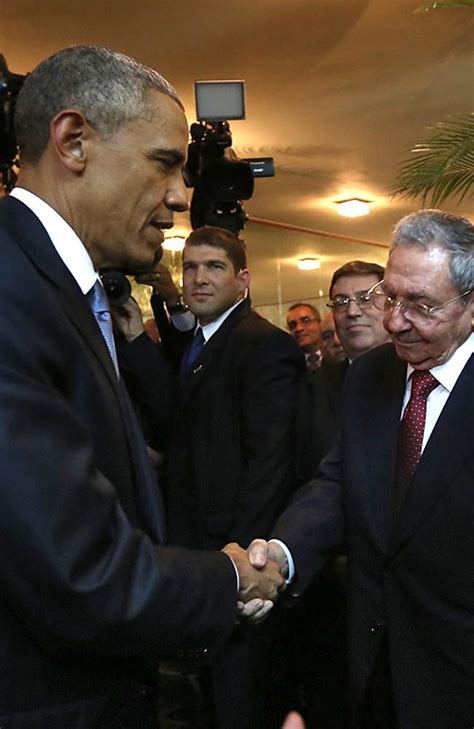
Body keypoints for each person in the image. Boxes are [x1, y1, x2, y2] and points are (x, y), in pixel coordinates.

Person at [0, 45, 283, 727]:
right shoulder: (12, 292)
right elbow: (82, 573)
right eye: (164, 163)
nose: (182, 197)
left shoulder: (61, 289)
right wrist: (232, 576)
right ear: (74, 142)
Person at [246, 209, 474, 729]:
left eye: (421, 305)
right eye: (389, 297)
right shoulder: (370, 375)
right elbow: (336, 482)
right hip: (374, 666)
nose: (394, 320)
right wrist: (281, 555)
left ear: (471, 303)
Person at [117, 224, 305, 728]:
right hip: (196, 554)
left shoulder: (264, 345)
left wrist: (243, 563)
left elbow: (270, 464)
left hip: (236, 558)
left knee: (238, 703)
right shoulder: (201, 341)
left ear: (243, 279)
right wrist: (137, 335)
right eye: (192, 267)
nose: (199, 278)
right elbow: (178, 419)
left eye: (215, 267)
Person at [328, 260, 389, 361]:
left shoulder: (414, 373)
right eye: (341, 302)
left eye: (365, 299)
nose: (352, 312)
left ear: (391, 305)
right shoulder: (318, 377)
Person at [287, 302, 322, 370]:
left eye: (306, 321)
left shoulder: (336, 356)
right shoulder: (288, 366)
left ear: (320, 324)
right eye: (292, 325)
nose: (299, 328)